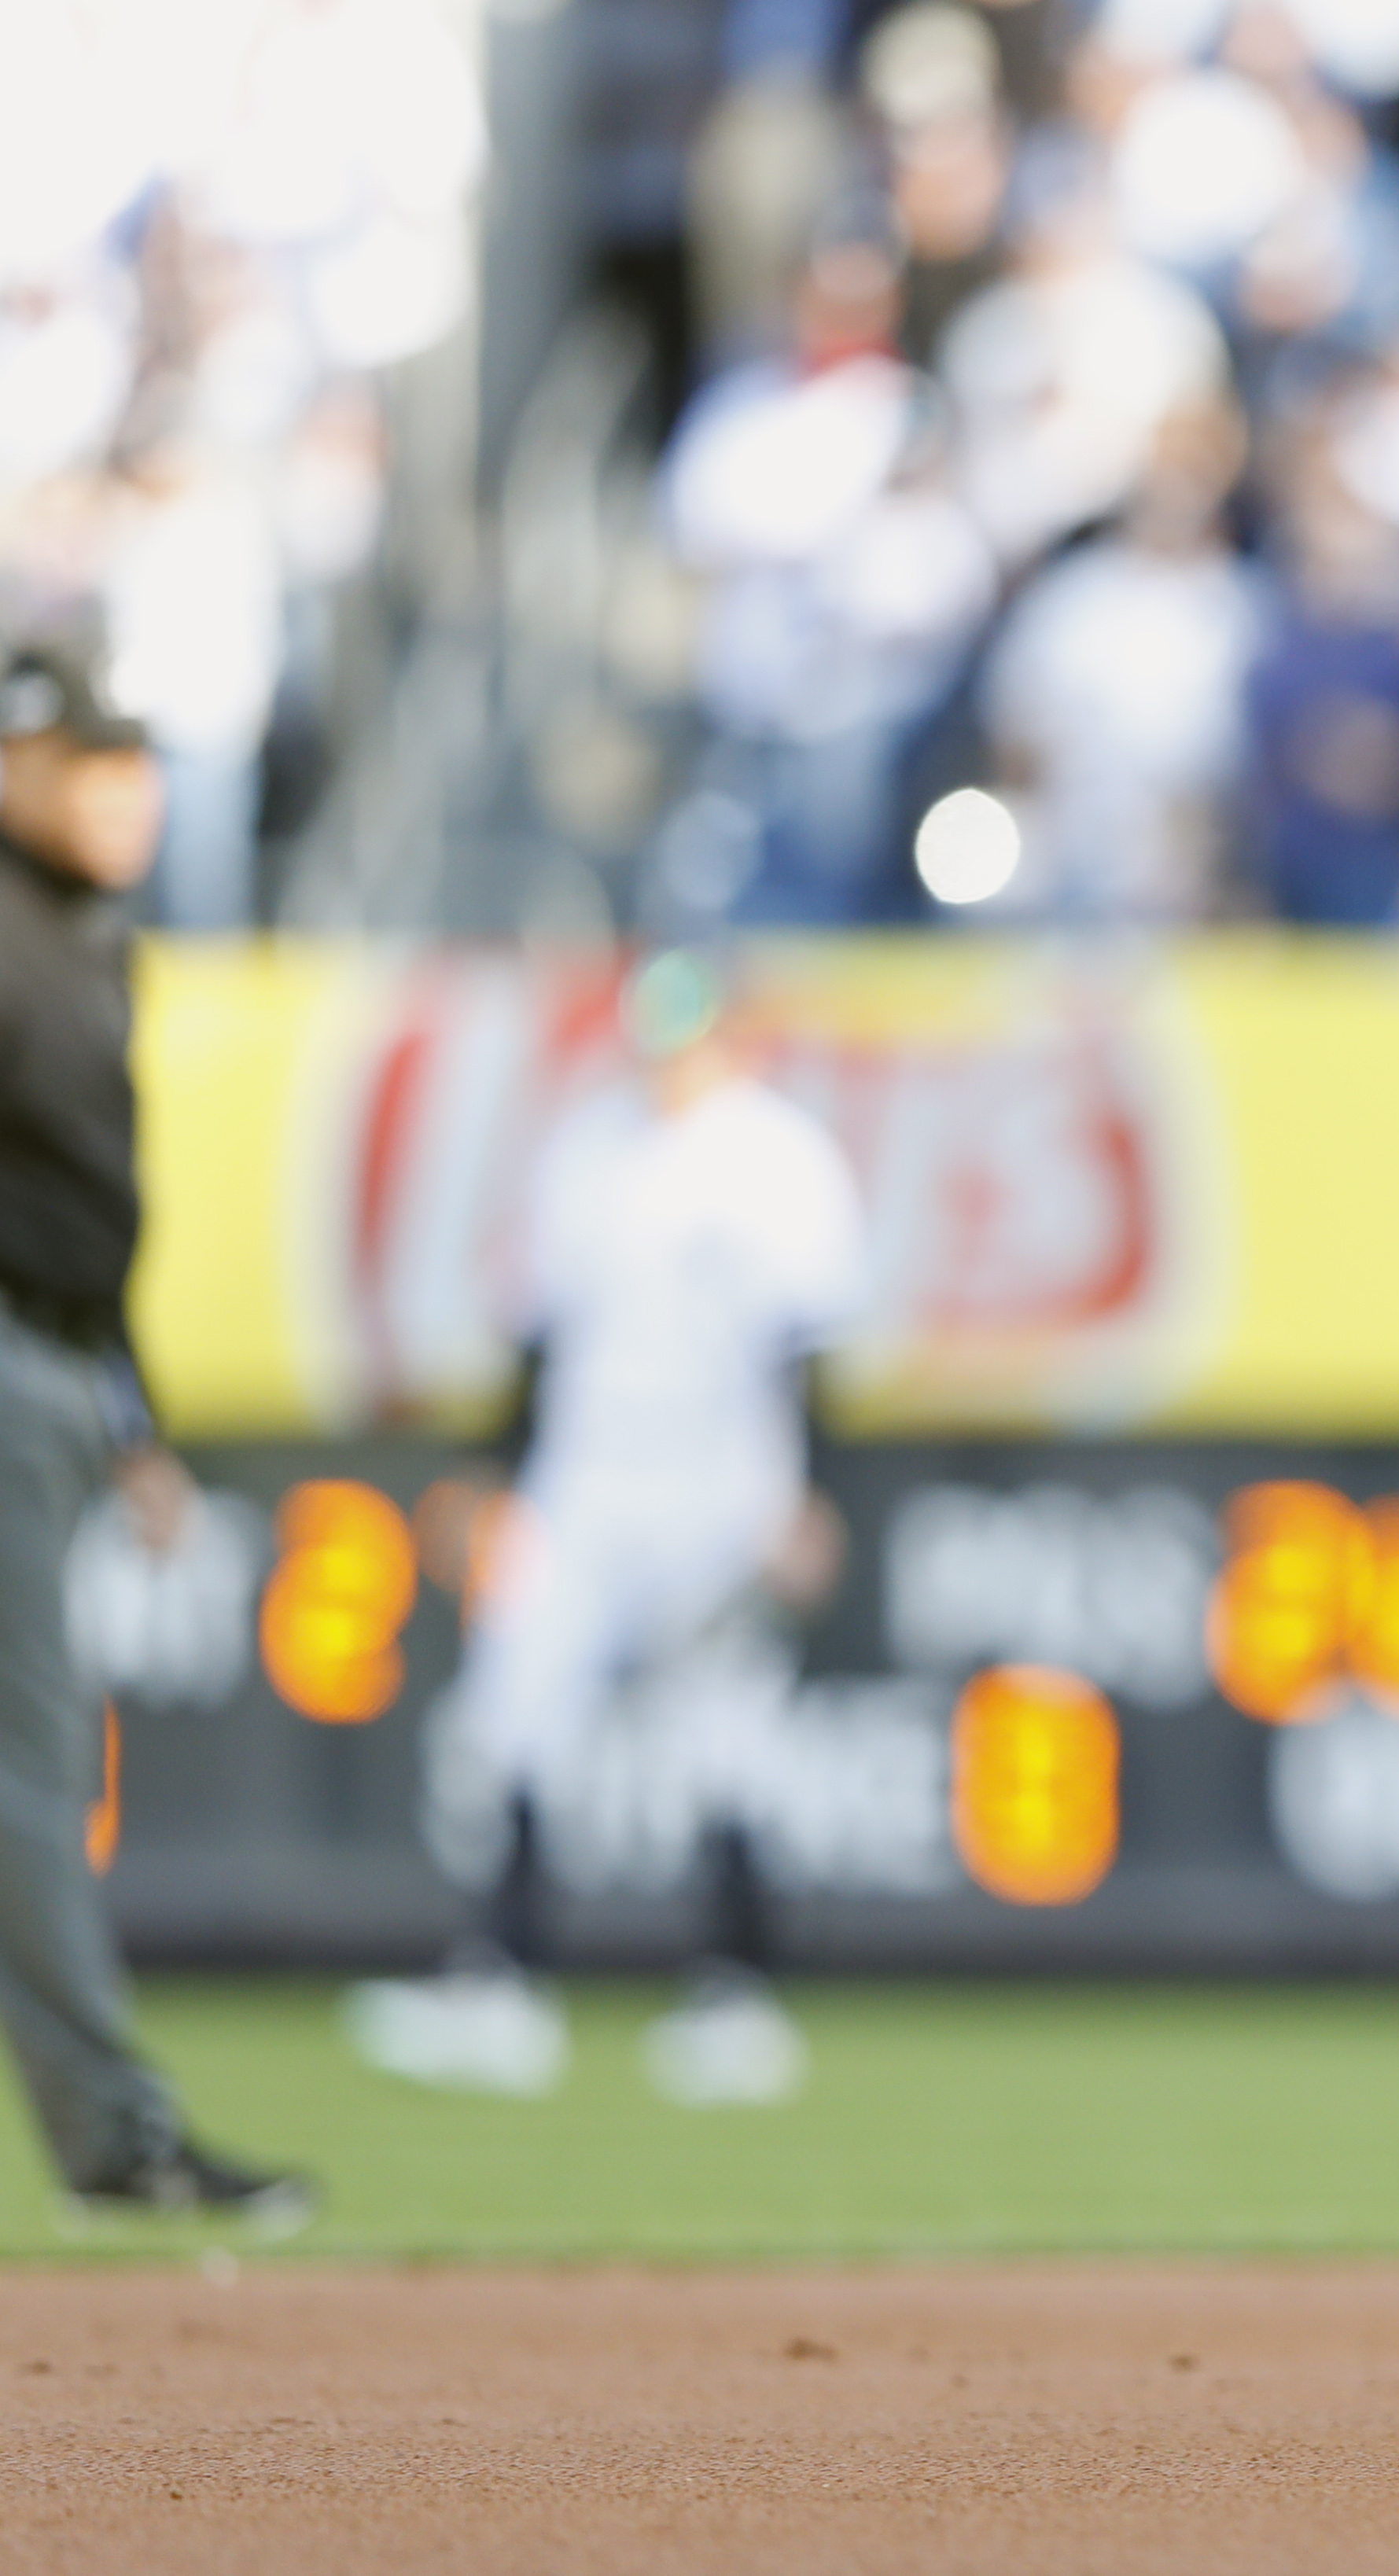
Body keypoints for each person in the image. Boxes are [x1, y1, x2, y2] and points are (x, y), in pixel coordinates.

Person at [342, 951, 867, 2107]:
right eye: (654, 1035)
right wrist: (489, 1469)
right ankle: (501, 1986)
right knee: (512, 1713)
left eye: (688, 1035)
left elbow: (811, 1349)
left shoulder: (778, 1159)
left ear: (731, 1035)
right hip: (587, 1474)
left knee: (725, 1736)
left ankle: (738, 1997)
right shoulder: (588, 1149)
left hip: (722, 1479)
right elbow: (539, 1334)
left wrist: (811, 1494)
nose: (668, 1058)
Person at [0, 639, 311, 2225]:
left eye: (136, 765)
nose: (128, 792)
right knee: (27, 1774)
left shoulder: (89, 942)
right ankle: (118, 2136)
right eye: (88, 765)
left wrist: (132, 1413)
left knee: (32, 1774)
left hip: (56, 1363)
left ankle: (117, 2130)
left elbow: (84, 1213)